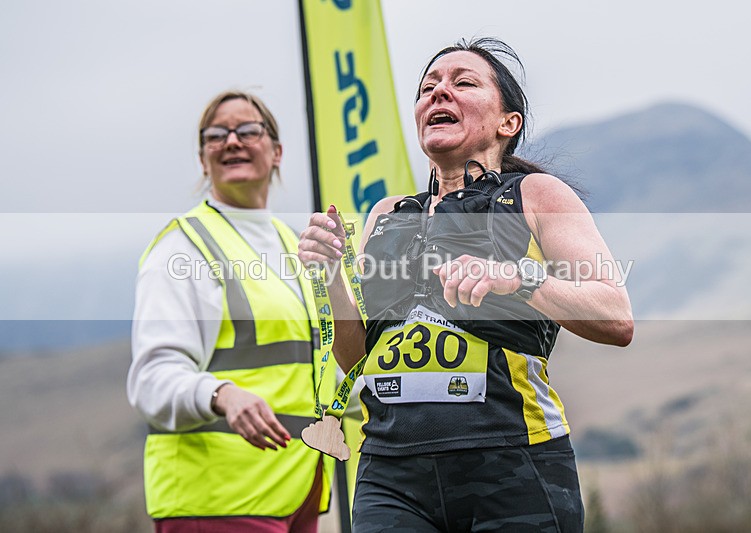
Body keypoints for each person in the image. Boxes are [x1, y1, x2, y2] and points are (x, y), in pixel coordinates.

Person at [298, 37, 633, 532]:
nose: (439, 94)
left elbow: (616, 316)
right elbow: (356, 357)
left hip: (514, 462)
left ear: (508, 123)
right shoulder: (387, 215)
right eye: (428, 88)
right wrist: (329, 276)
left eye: (464, 83)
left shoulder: (536, 195)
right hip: (391, 473)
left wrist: (516, 278)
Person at [128, 90, 334, 532]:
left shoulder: (291, 243)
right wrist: (221, 394)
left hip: (296, 493)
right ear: (204, 159)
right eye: (216, 135)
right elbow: (151, 380)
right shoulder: (182, 247)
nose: (232, 141)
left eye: (248, 130)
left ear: (277, 152)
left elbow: (315, 368)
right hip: (217, 501)